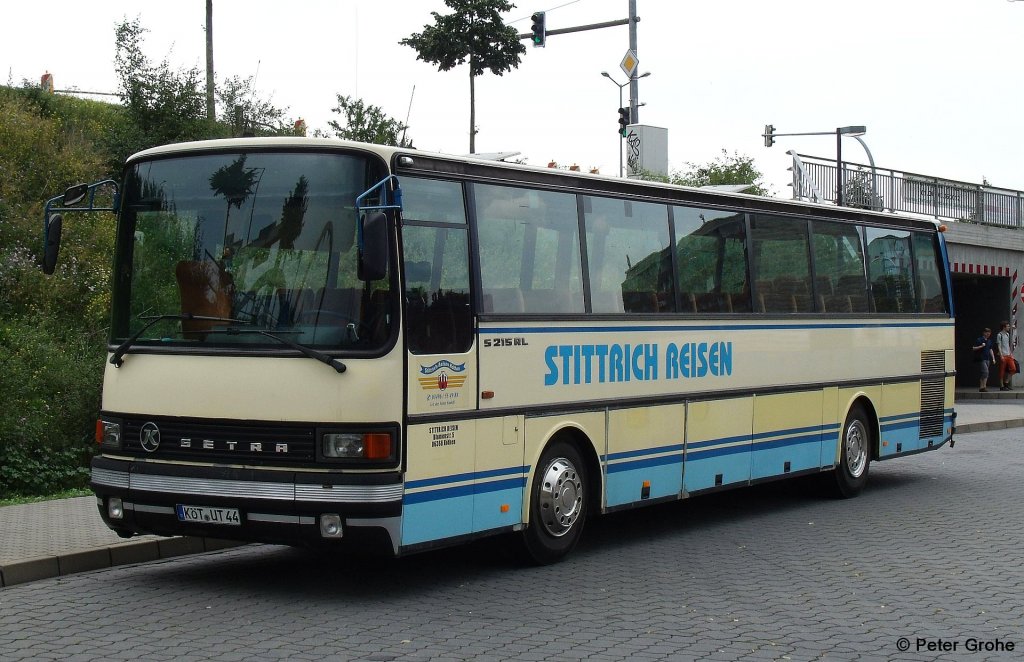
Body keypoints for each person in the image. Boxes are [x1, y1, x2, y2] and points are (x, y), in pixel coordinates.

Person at [972, 327, 995, 392]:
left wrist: (993, 358)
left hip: (987, 358)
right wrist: (981, 346)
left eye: (989, 332)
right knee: (985, 372)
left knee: (985, 373)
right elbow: (973, 348)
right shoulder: (979, 340)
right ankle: (982, 386)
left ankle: (983, 387)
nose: (988, 334)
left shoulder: (989, 341)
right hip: (981, 358)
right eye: (987, 332)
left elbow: (991, 349)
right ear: (984, 333)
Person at [996, 321, 1016, 391]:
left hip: (1008, 355)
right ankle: (1002, 386)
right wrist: (1001, 355)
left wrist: (1011, 354)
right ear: (1004, 327)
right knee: (1002, 371)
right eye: (1007, 326)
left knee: (1013, 369)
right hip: (1003, 355)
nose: (1009, 327)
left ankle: (1006, 382)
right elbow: (999, 346)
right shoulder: (999, 335)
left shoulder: (1007, 334)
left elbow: (1007, 345)